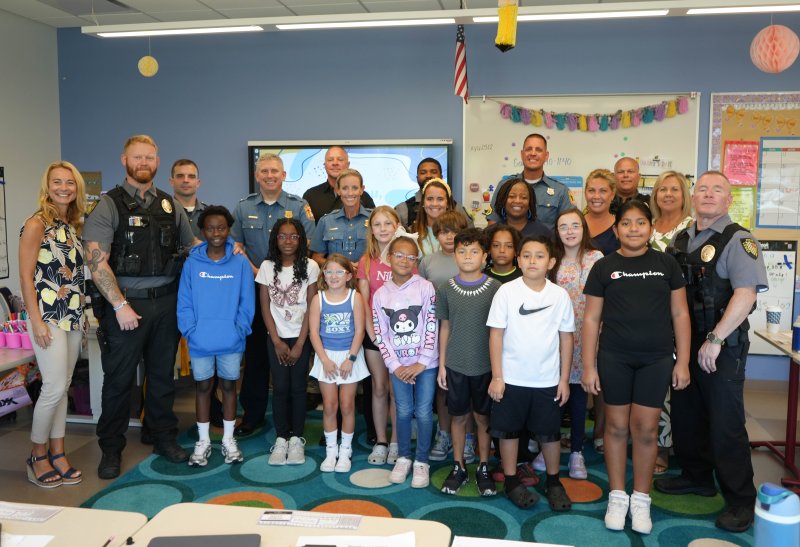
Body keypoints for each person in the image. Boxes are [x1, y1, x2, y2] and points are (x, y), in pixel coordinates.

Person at [656, 171, 768, 533]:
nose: (707, 194)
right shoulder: (682, 238)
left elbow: (745, 294)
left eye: (716, 189)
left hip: (722, 345)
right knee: (687, 414)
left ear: (728, 199)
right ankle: (697, 476)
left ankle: (740, 499)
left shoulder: (739, 239)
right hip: (687, 343)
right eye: (701, 188)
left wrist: (716, 339)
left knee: (725, 423)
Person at [84, 135, 198, 479]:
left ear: (157, 161)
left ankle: (163, 436)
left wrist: (225, 253)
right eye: (137, 157)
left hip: (166, 303)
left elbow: (191, 245)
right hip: (125, 306)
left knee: (163, 376)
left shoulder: (168, 204)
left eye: (149, 157)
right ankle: (111, 448)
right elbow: (96, 262)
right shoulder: (108, 205)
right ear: (124, 160)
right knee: (118, 381)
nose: (144, 162)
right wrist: (118, 305)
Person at [582, 200, 691, 534]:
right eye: (626, 223)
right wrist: (588, 366)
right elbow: (591, 318)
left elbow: (680, 314)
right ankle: (618, 496)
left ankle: (641, 499)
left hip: (656, 359)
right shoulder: (603, 267)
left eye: (640, 222)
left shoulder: (667, 264)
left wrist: (683, 361)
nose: (633, 229)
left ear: (650, 227)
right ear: (616, 230)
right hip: (614, 357)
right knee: (615, 426)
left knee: (645, 428)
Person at [487, 234, 575, 511]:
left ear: (550, 262)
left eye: (539, 256)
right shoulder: (507, 292)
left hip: (547, 380)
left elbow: (566, 338)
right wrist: (497, 376)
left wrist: (563, 379)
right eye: (526, 255)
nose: (532, 260)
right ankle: (512, 481)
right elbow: (496, 336)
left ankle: (553, 481)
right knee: (508, 431)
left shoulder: (559, 295)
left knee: (549, 434)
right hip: (511, 379)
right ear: (518, 260)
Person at [230, 153, 315, 437]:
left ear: (283, 175)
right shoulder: (243, 208)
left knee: (296, 360)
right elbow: (236, 247)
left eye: (274, 171)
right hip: (255, 290)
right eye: (264, 171)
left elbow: (307, 244)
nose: (269, 175)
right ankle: (253, 415)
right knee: (255, 356)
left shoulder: (298, 206)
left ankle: (295, 421)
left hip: (292, 293)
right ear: (257, 176)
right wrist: (261, 272)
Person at [20, 161, 87, 488]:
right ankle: (37, 454)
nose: (64, 187)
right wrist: (36, 322)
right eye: (57, 182)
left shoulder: (72, 224)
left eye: (69, 183)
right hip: (47, 317)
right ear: (47, 187)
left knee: (63, 386)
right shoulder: (36, 224)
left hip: (73, 314)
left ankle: (59, 452)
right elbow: (25, 277)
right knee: (53, 387)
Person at [177, 205, 255, 467]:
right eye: (210, 228)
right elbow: (184, 301)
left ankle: (229, 440)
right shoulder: (192, 262)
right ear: (202, 231)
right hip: (200, 341)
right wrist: (190, 331)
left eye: (221, 228)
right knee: (203, 388)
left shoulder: (240, 261)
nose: (216, 233)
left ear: (228, 229)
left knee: (229, 387)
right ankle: (203, 441)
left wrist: (239, 329)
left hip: (231, 340)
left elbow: (247, 301)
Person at [535, 209, 603, 480]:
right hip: (554, 338)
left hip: (586, 338)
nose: (570, 231)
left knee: (577, 398)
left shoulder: (596, 258)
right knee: (553, 396)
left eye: (576, 225)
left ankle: (576, 451)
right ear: (557, 231)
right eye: (564, 227)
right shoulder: (552, 260)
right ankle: (547, 448)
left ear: (584, 228)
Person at [437, 228, 501, 496]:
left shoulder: (496, 288)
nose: (467, 256)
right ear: (455, 255)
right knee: (459, 416)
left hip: (486, 366)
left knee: (483, 417)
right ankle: (459, 465)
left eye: (474, 251)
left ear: (485, 256)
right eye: (462, 250)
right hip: (456, 364)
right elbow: (446, 327)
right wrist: (442, 364)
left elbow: (499, 332)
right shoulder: (446, 288)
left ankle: (484, 466)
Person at [372, 231, 438, 488]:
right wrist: (396, 366)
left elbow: (431, 325)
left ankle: (421, 460)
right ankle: (403, 457)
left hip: (426, 366)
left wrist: (421, 362)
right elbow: (381, 334)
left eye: (411, 257)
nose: (404, 260)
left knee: (422, 412)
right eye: (399, 255)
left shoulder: (425, 287)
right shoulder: (381, 295)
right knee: (402, 411)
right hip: (398, 368)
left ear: (416, 262)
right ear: (389, 258)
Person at [255, 218, 319, 465]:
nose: (288, 241)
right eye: (282, 236)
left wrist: (301, 343)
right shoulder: (267, 266)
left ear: (301, 239)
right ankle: (282, 437)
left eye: (294, 236)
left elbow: (313, 306)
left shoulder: (311, 266)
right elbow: (265, 306)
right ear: (275, 239)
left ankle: (296, 439)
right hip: (277, 337)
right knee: (280, 388)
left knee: (298, 388)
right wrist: (277, 341)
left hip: (301, 335)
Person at [649, 170, 694, 474]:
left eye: (674, 189)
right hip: (650, 315)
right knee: (658, 386)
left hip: (681, 310)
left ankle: (677, 447)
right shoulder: (647, 226)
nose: (667, 194)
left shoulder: (692, 228)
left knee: (681, 381)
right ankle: (656, 444)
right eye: (662, 189)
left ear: (683, 195)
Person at [418, 210, 472, 464]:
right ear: (436, 235)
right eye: (444, 232)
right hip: (436, 330)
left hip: (466, 330)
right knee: (443, 387)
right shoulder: (428, 261)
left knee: (468, 386)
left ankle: (468, 438)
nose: (450, 237)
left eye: (455, 231)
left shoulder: (471, 259)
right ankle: (444, 434)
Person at [309, 254, 369, 473]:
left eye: (339, 272)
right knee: (330, 405)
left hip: (348, 358)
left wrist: (351, 358)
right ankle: (331, 452)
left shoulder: (355, 297)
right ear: (323, 274)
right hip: (327, 358)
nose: (334, 276)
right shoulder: (318, 299)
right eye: (329, 271)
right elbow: (314, 333)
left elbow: (360, 330)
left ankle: (345, 451)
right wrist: (324, 360)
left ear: (348, 275)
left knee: (347, 404)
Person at [356, 206, 404, 465]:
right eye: (378, 224)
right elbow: (363, 300)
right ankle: (381, 441)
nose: (383, 229)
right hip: (374, 335)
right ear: (371, 229)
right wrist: (372, 333)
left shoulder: (407, 257)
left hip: (403, 336)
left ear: (397, 225)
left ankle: (396, 441)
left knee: (398, 391)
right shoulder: (366, 261)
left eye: (388, 223)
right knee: (379, 387)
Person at [487, 133, 573, 230]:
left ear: (546, 156)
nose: (533, 153)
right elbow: (492, 225)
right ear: (522, 154)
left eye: (538, 150)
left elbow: (569, 228)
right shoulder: (504, 186)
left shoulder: (560, 191)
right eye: (528, 149)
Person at [311, 168, 371, 267]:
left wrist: (362, 266)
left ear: (362, 190)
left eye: (355, 188)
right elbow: (316, 258)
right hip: (336, 279)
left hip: (367, 280)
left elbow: (384, 254)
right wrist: (338, 266)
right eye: (345, 188)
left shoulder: (374, 219)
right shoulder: (326, 221)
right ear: (338, 190)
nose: (350, 193)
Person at [303, 146, 375, 223]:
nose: (335, 163)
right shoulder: (310, 196)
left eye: (340, 160)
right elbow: (305, 230)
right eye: (330, 160)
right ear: (325, 165)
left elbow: (374, 226)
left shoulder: (363, 197)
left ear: (348, 164)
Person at [395, 157, 472, 227]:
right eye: (423, 172)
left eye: (433, 172)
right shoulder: (403, 209)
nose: (428, 175)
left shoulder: (456, 208)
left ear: (441, 177)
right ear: (417, 178)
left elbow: (470, 237)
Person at [412, 178, 470, 256]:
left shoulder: (460, 231)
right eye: (429, 199)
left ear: (448, 204)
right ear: (423, 203)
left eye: (440, 199)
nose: (435, 204)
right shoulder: (412, 231)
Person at [584, 169, 620, 256]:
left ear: (612, 195)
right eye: (591, 190)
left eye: (603, 191)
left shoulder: (620, 226)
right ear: (585, 193)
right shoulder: (575, 224)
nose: (596, 196)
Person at [169, 159, 207, 239]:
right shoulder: (161, 213)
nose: (186, 180)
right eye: (180, 176)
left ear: (198, 183)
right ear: (171, 182)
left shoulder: (210, 214)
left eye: (191, 176)